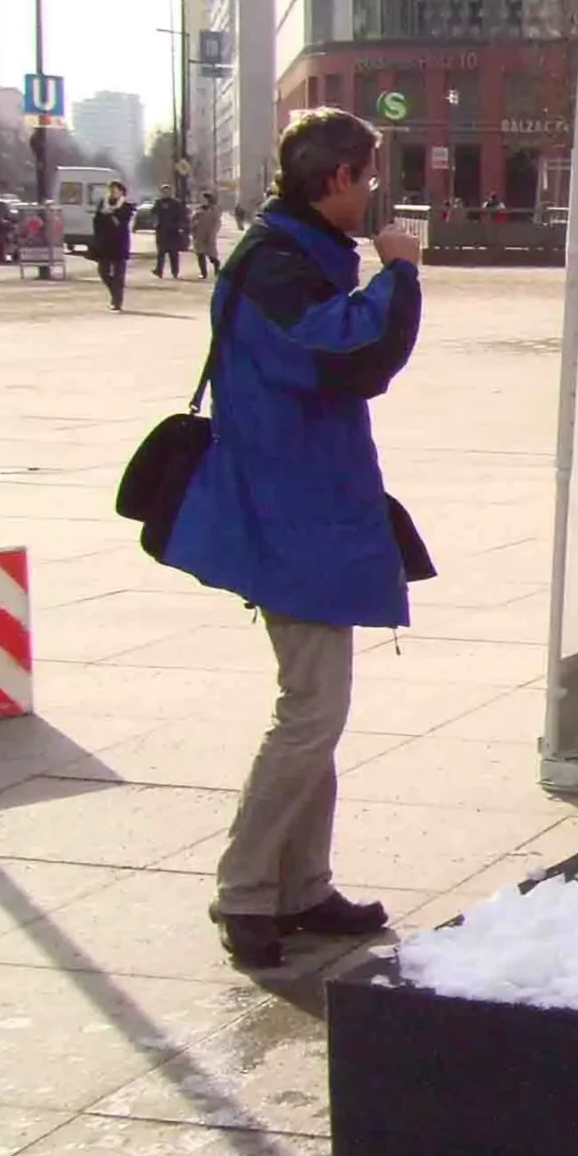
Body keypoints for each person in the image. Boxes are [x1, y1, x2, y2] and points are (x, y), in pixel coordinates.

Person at [162, 108, 429, 970]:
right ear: (338, 178)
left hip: (307, 507)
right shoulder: (278, 267)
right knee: (311, 713)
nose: (373, 192)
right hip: (290, 515)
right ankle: (246, 890)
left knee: (317, 712)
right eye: (368, 176)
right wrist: (400, 272)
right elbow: (355, 355)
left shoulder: (291, 255)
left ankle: (303, 886)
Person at [90, 181, 132, 310]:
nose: (112, 192)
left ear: (121, 192)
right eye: (111, 189)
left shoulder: (126, 206)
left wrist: (111, 215)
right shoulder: (103, 204)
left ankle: (117, 302)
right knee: (103, 272)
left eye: (115, 190)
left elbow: (122, 224)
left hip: (119, 243)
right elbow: (96, 221)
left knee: (119, 274)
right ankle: (114, 292)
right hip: (105, 244)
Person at [152, 185, 188, 280]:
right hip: (161, 230)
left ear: (171, 192)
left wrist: (181, 227)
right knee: (160, 252)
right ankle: (159, 270)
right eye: (163, 192)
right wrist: (155, 222)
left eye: (167, 191)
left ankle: (175, 271)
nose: (165, 193)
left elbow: (182, 215)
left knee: (173, 253)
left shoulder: (176, 203)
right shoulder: (158, 202)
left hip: (173, 231)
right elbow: (153, 213)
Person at [190, 189, 223, 280]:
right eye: (201, 199)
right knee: (200, 254)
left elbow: (217, 222)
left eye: (204, 198)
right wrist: (193, 226)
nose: (202, 200)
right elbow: (192, 220)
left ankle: (217, 266)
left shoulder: (214, 209)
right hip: (199, 235)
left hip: (209, 234)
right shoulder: (198, 209)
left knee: (211, 255)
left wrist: (213, 233)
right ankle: (203, 273)